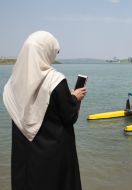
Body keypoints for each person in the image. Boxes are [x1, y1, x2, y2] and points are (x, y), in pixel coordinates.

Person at [2, 31, 86, 190]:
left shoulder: (13, 82)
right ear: (46, 51)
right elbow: (69, 116)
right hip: (53, 152)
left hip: (24, 149)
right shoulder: (55, 80)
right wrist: (75, 98)